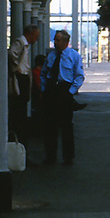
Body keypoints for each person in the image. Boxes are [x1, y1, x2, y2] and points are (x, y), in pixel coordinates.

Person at [40, 30, 85, 165]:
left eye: (58, 40)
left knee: (66, 125)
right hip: (51, 90)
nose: (55, 42)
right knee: (50, 125)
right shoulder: (51, 56)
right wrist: (44, 89)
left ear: (65, 42)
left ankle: (68, 157)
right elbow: (44, 73)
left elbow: (79, 75)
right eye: (55, 39)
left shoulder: (74, 56)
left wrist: (70, 92)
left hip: (64, 90)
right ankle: (50, 156)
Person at [8, 24, 40, 148]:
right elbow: (11, 53)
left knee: (21, 108)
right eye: (36, 36)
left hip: (24, 78)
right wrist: (17, 69)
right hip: (21, 78)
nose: (36, 39)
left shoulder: (25, 45)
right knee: (18, 111)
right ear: (31, 34)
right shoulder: (20, 42)